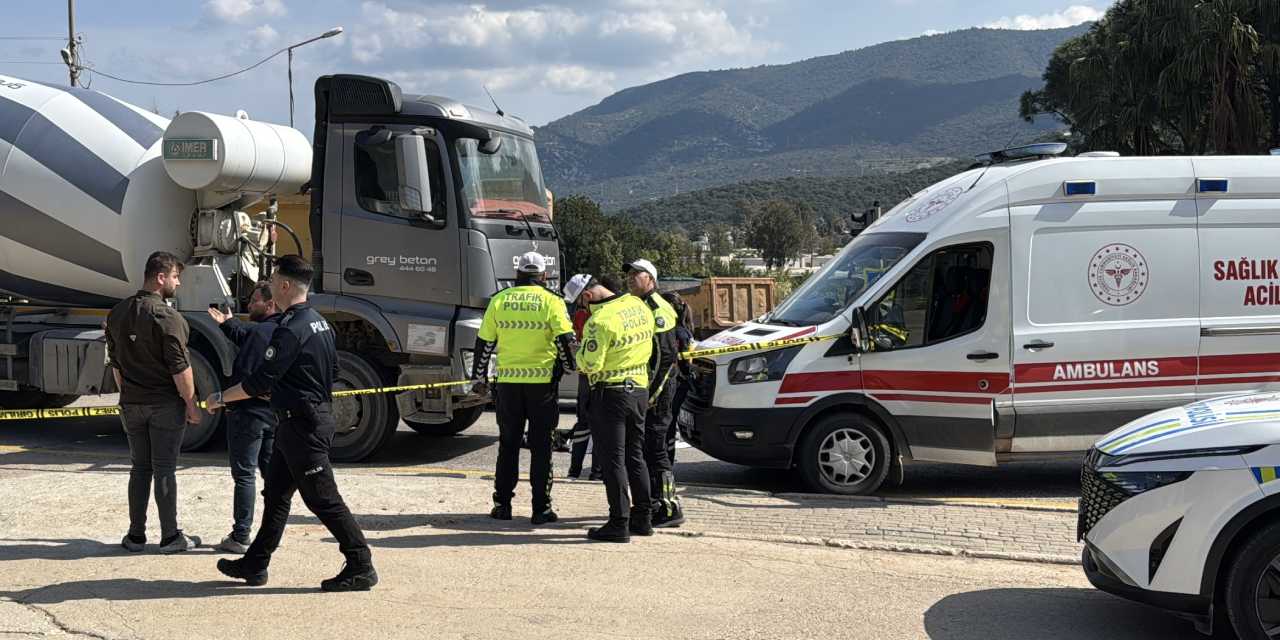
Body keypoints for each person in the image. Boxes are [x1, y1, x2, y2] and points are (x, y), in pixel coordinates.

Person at [207, 255, 376, 592]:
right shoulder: (319, 322)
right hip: (296, 422)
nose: (268, 285)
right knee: (277, 494)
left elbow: (259, 383)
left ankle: (360, 563)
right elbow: (332, 374)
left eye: (271, 279)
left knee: (323, 499)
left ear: (284, 285)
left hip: (304, 426)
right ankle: (256, 563)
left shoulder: (291, 328)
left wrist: (220, 398)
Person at [104, 251, 202, 554]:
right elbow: (180, 369)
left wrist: (128, 396)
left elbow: (116, 366)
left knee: (139, 468)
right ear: (161, 278)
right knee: (164, 469)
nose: (178, 283)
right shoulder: (169, 318)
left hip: (131, 404)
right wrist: (191, 404)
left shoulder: (117, 313)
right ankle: (171, 537)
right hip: (164, 406)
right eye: (175, 277)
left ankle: (135, 536)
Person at [470, 251, 576, 524]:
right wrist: (567, 368)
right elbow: (565, 342)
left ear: (518, 274)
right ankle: (541, 509)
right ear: (542, 276)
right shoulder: (553, 302)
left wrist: (478, 378)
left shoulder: (499, 300)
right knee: (542, 448)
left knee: (508, 445)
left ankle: (502, 505)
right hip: (542, 387)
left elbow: (484, 344)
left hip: (508, 386)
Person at [564, 273, 654, 543]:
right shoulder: (639, 306)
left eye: (580, 304)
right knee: (635, 456)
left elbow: (590, 364)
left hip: (610, 394)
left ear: (588, 296)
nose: (582, 309)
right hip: (639, 389)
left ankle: (618, 522)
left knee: (612, 459)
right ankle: (644, 518)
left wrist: (578, 352)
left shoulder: (598, 322)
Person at [206, 282, 280, 554]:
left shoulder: (259, 332)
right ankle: (272, 532)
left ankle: (240, 536)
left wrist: (221, 398)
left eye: (254, 302)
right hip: (274, 414)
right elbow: (246, 334)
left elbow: (247, 375)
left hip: (248, 414)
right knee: (271, 476)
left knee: (245, 475)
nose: (249, 306)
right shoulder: (282, 329)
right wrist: (227, 323)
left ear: (269, 304)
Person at [623, 259, 686, 528]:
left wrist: (651, 393)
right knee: (646, 449)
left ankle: (670, 507)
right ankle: (651, 502)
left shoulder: (657, 307)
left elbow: (665, 356)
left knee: (656, 450)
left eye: (636, 274)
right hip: (645, 390)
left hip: (658, 391)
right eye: (628, 274)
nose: (629, 278)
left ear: (650, 278)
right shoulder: (637, 304)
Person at [566, 304, 600, 480]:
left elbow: (575, 339)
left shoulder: (582, 314)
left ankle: (574, 470)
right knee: (598, 426)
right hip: (597, 375)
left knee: (583, 423)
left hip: (584, 373)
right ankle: (596, 472)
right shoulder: (600, 314)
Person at [664, 291, 695, 466]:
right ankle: (667, 458)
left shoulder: (677, 333)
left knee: (668, 423)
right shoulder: (684, 331)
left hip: (676, 384)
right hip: (678, 383)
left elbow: (684, 363)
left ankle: (667, 461)